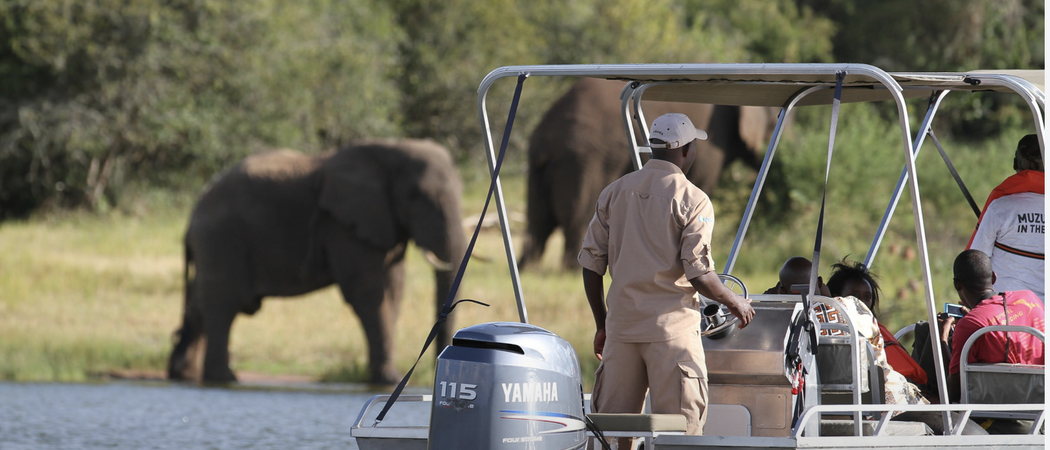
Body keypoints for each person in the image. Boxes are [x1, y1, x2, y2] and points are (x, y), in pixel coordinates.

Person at [579, 113, 754, 442]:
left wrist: (603, 324)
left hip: (623, 331)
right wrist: (735, 301)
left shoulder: (615, 192)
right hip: (672, 335)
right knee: (680, 435)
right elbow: (699, 273)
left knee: (613, 436)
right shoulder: (693, 199)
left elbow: (591, 264)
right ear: (687, 150)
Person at [946, 249, 1045, 403]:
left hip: (999, 412)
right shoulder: (1030, 298)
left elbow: (954, 394)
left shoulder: (970, 325)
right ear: (993, 277)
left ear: (957, 284)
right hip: (1041, 403)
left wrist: (942, 340)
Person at [825, 260, 929, 391]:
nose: (861, 302)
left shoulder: (874, 331)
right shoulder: (828, 331)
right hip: (874, 400)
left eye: (867, 297)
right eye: (854, 296)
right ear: (836, 298)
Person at [967, 134, 1044, 302]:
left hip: (1005, 316)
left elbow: (974, 264)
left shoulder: (999, 208)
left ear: (1016, 163)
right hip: (1044, 322)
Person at [764, 256, 831, 296]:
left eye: (808, 289)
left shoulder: (781, 318)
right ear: (820, 283)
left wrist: (767, 302)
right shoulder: (836, 311)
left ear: (782, 291)